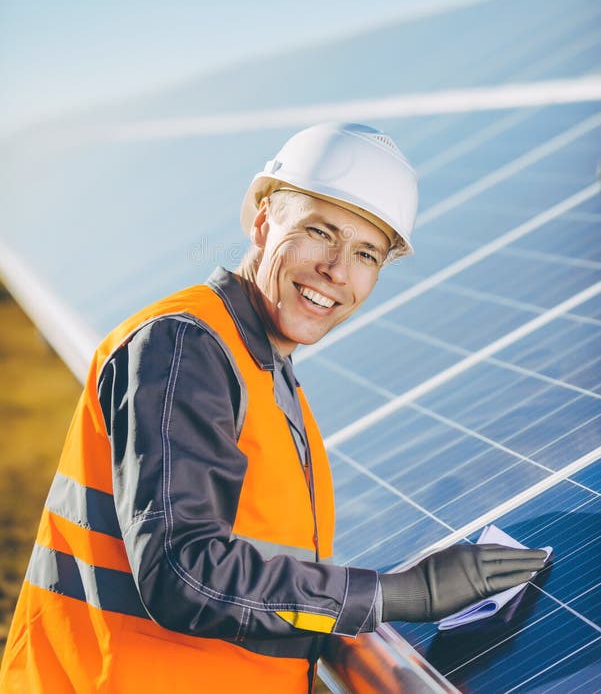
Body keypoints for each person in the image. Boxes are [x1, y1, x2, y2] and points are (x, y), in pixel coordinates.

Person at [0, 123, 547, 694]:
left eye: (366, 254)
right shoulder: (187, 347)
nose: (337, 270)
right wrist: (396, 595)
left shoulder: (263, 374)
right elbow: (184, 572)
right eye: (319, 231)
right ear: (263, 221)